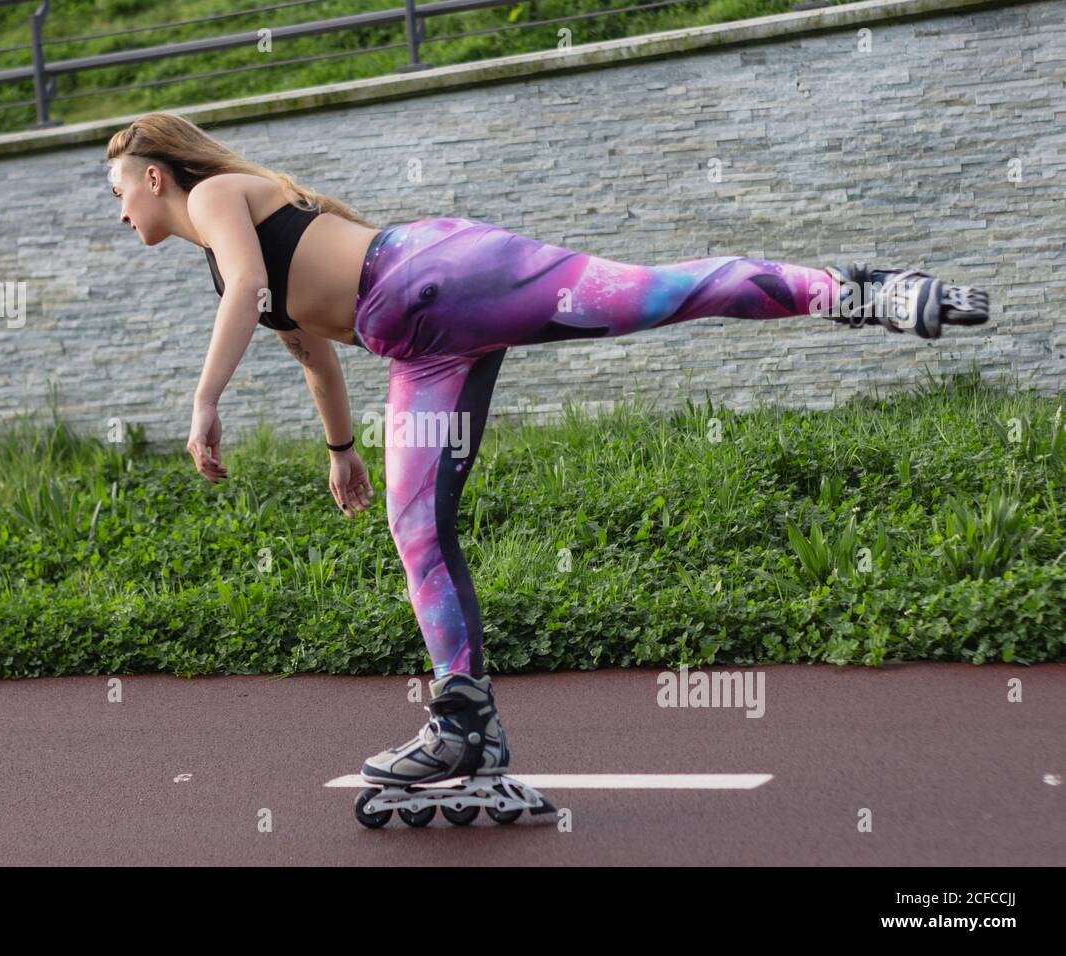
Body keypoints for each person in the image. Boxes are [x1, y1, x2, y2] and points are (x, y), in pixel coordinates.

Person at [105, 111, 989, 793]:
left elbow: (256, 284)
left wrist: (204, 399)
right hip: (422, 346)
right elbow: (313, 352)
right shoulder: (230, 268)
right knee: (413, 526)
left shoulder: (218, 196)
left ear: (155, 175)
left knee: (653, 296)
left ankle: (859, 291)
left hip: (439, 273)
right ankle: (464, 720)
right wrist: (341, 449)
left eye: (121, 192)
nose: (121, 211)